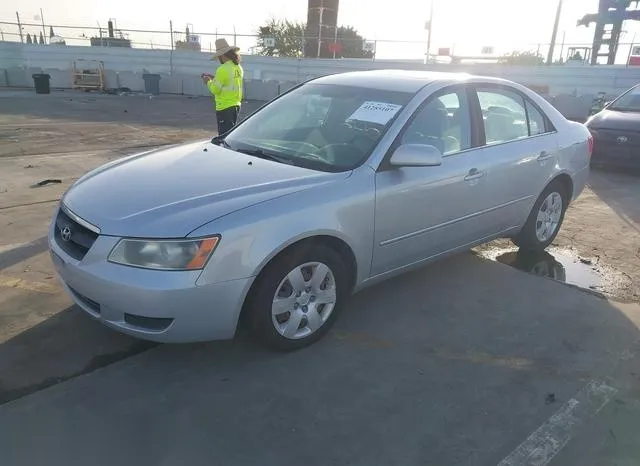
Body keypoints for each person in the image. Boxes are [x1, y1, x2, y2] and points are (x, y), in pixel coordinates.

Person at [201, 38, 244, 135]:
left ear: (222, 56)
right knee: (231, 133)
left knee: (224, 136)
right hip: (236, 105)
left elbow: (215, 89)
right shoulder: (238, 67)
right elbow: (229, 81)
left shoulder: (222, 69)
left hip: (224, 107)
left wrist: (208, 82)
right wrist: (215, 78)